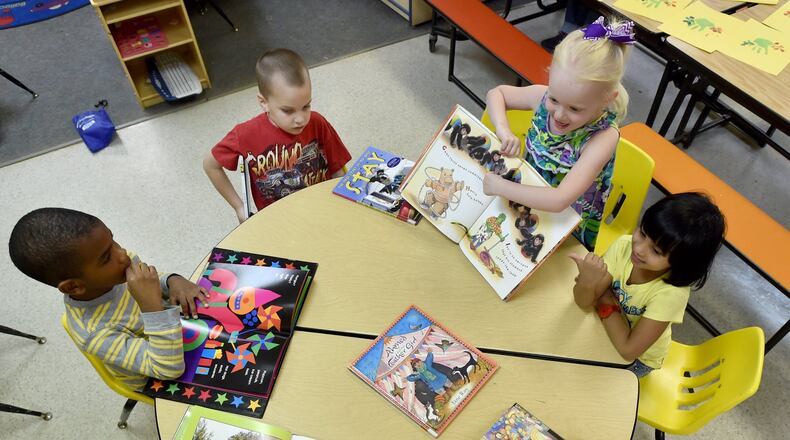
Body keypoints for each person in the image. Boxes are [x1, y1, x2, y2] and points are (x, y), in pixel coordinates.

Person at [8, 208, 209, 390]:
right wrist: (152, 309)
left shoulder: (118, 268)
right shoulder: (94, 332)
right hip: (155, 375)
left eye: (113, 241)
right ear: (73, 286)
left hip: (176, 332)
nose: (122, 254)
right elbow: (167, 369)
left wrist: (173, 281)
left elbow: (149, 282)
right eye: (106, 257)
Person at [483, 16, 635, 250]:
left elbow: (559, 200)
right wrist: (504, 131)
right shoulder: (543, 97)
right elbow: (496, 94)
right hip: (524, 201)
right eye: (555, 99)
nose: (559, 115)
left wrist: (500, 187)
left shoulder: (603, 137)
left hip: (564, 229)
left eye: (575, 109)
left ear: (607, 100)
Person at [569, 193, 726, 377]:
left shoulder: (671, 294)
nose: (639, 249)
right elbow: (583, 302)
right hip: (607, 330)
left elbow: (628, 350)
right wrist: (588, 282)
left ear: (682, 262)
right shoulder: (623, 246)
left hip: (640, 360)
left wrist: (603, 294)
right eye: (642, 233)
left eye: (656, 251)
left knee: (585, 381)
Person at [203, 48, 351, 223]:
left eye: (306, 106)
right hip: (278, 222)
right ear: (263, 102)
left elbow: (337, 169)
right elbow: (210, 165)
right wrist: (239, 206)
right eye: (288, 111)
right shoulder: (244, 135)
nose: (300, 119)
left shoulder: (317, 122)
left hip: (323, 209)